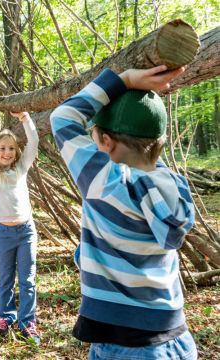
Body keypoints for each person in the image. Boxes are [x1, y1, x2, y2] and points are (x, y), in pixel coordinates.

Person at [50, 65, 197, 359]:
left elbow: (62, 118)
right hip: (177, 338)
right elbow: (147, 156)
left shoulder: (107, 184)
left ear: (106, 141)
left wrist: (123, 80)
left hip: (125, 346)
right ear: (160, 142)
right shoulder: (174, 185)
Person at [0, 103, 40, 344]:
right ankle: (6, 316)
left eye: (11, 148)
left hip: (26, 231)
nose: (7, 152)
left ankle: (28, 322)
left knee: (27, 280)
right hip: (3, 232)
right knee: (5, 278)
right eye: (2, 148)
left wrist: (25, 117)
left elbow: (33, 142)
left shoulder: (21, 169)